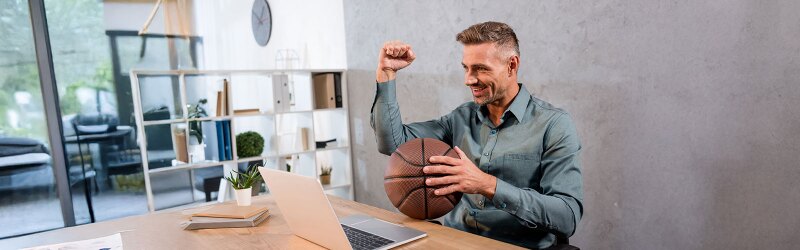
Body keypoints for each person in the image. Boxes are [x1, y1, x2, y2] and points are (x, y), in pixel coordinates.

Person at [370, 21, 584, 249]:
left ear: (512, 65)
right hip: (454, 242)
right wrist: (387, 74)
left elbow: (567, 216)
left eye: (481, 68)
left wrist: (488, 184)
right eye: (466, 68)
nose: (469, 79)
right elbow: (392, 144)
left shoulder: (554, 125)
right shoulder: (460, 118)